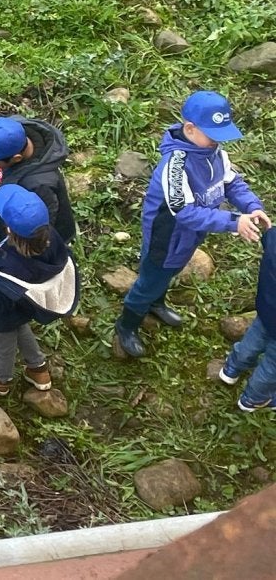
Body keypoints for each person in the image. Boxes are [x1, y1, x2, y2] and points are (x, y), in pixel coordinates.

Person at [115, 91, 269, 358]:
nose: (218, 142)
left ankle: (156, 303)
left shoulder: (215, 153)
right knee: (150, 280)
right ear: (190, 128)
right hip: (168, 236)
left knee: (170, 272)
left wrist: (252, 206)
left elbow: (232, 182)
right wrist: (234, 221)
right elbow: (184, 212)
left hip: (191, 234)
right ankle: (126, 326)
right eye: (213, 135)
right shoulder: (175, 165)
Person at [0, 185, 79, 396]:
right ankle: (37, 368)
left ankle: (0, 379)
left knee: (3, 344)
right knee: (21, 328)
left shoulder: (9, 267)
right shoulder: (53, 239)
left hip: (2, 315)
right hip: (25, 305)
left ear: (9, 230)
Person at [0, 113, 76, 255]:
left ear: (16, 158)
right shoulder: (8, 131)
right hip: (1, 208)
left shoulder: (40, 186)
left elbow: (36, 236)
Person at [218, 226, 276, 412]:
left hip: (267, 312)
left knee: (252, 340)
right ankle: (254, 398)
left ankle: (232, 368)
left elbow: (267, 236)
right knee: (271, 367)